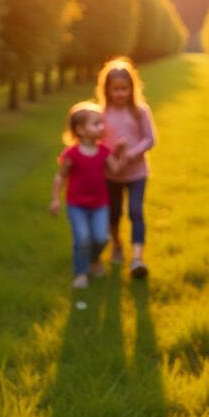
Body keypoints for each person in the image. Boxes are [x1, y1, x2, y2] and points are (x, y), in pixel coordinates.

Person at [51, 101, 124, 289]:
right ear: (81, 130)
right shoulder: (72, 154)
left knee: (101, 238)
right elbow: (60, 176)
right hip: (77, 205)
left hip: (100, 204)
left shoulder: (104, 151)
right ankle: (81, 272)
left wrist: (121, 152)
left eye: (101, 122)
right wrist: (55, 200)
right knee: (82, 238)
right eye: (96, 123)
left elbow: (115, 170)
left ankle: (93, 259)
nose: (101, 127)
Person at [96, 58, 156, 279]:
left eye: (124, 88)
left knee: (136, 211)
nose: (120, 93)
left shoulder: (140, 111)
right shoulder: (101, 113)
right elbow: (97, 141)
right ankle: (117, 244)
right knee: (113, 213)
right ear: (107, 90)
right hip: (111, 174)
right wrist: (111, 155)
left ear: (132, 88)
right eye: (115, 89)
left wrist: (131, 154)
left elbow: (150, 139)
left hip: (136, 173)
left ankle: (137, 258)